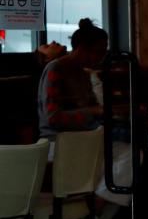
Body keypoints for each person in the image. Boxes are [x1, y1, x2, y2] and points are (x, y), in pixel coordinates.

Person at [37, 19, 131, 207]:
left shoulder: (83, 73)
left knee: (132, 154)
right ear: (81, 48)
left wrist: (115, 111)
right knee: (118, 161)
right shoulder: (56, 69)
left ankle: (96, 206)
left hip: (86, 141)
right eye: (99, 51)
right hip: (60, 143)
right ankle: (91, 210)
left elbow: (95, 108)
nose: (102, 56)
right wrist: (94, 111)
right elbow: (53, 117)